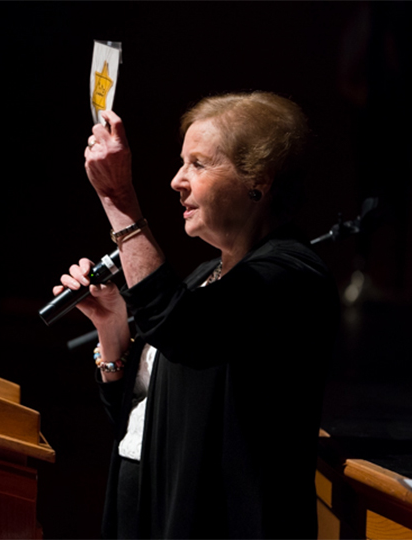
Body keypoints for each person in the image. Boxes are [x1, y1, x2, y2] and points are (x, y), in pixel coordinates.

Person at [54, 91, 340, 539]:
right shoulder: (208, 275)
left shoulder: (288, 277)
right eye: (182, 162)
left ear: (258, 179)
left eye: (198, 164)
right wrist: (112, 329)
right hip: (150, 509)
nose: (176, 180)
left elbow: (185, 332)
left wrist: (119, 200)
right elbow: (143, 420)